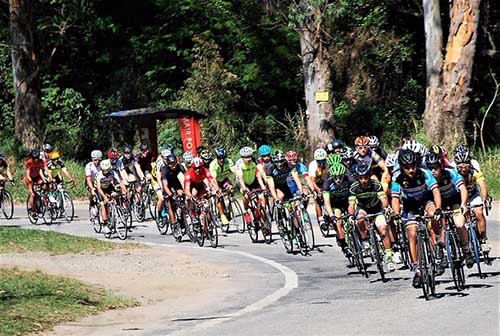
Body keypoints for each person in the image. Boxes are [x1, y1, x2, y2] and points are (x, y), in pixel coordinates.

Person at [391, 149, 442, 288]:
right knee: (412, 234)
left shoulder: (424, 173)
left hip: (426, 200)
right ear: (401, 167)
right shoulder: (397, 178)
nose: (411, 170)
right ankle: (417, 270)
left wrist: (438, 208)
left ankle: (437, 243)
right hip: (410, 205)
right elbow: (395, 198)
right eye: (407, 167)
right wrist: (396, 214)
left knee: (432, 214)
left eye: (413, 166)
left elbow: (436, 190)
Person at [425, 152, 473, 270]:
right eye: (430, 168)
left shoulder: (450, 172)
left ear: (441, 166)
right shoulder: (425, 177)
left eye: (435, 167)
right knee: (434, 221)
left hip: (453, 201)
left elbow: (463, 189)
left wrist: (463, 204)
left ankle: (466, 250)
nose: (433, 171)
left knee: (459, 223)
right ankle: (441, 247)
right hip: (436, 203)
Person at [348, 162, 395, 272]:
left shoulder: (376, 185)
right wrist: (351, 215)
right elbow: (351, 205)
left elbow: (383, 200)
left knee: (383, 230)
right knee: (359, 219)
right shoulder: (354, 188)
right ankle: (365, 240)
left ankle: (389, 258)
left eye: (365, 177)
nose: (363, 180)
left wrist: (386, 207)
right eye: (361, 178)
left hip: (376, 209)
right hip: (362, 208)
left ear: (369, 176)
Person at [454, 149, 492, 253]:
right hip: (459, 196)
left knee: (479, 212)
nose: (463, 169)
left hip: (473, 193)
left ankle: (483, 240)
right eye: (460, 166)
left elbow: (482, 185)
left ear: (469, 164)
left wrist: (484, 199)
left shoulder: (474, 169)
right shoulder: (452, 170)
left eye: (465, 166)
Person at [322, 162, 356, 257]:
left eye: (340, 177)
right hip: (335, 203)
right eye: (335, 178)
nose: (338, 180)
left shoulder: (350, 179)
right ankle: (344, 245)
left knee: (353, 213)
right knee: (338, 222)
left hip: (347, 200)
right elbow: (327, 202)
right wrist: (331, 215)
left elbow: (355, 195)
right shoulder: (327, 184)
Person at [95, 159, 127, 229]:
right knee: (103, 204)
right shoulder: (99, 175)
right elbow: (99, 188)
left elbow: (120, 182)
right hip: (100, 189)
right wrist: (104, 197)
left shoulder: (113, 172)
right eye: (104, 170)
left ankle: (113, 212)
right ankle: (105, 224)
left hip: (108, 186)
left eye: (107, 170)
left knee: (117, 193)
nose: (106, 172)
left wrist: (125, 191)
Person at [25, 149, 52, 216]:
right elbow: (28, 174)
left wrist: (48, 178)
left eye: (37, 158)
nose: (36, 160)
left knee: (46, 184)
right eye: (34, 158)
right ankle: (33, 210)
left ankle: (44, 199)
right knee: (33, 194)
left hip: (37, 177)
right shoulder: (29, 162)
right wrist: (31, 181)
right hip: (30, 178)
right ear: (32, 158)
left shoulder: (41, 161)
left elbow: (42, 170)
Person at [308, 148, 329, 227]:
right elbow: (312, 181)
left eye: (323, 160)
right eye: (319, 161)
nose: (321, 162)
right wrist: (318, 190)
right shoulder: (313, 165)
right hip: (316, 182)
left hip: (325, 180)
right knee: (318, 199)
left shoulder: (327, 163)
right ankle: (321, 220)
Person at [85, 150, 102, 218]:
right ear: (92, 159)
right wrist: (92, 189)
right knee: (92, 193)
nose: (97, 161)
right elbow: (88, 179)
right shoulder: (89, 166)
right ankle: (91, 205)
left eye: (99, 160)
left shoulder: (102, 165)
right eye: (95, 160)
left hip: (99, 181)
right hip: (90, 181)